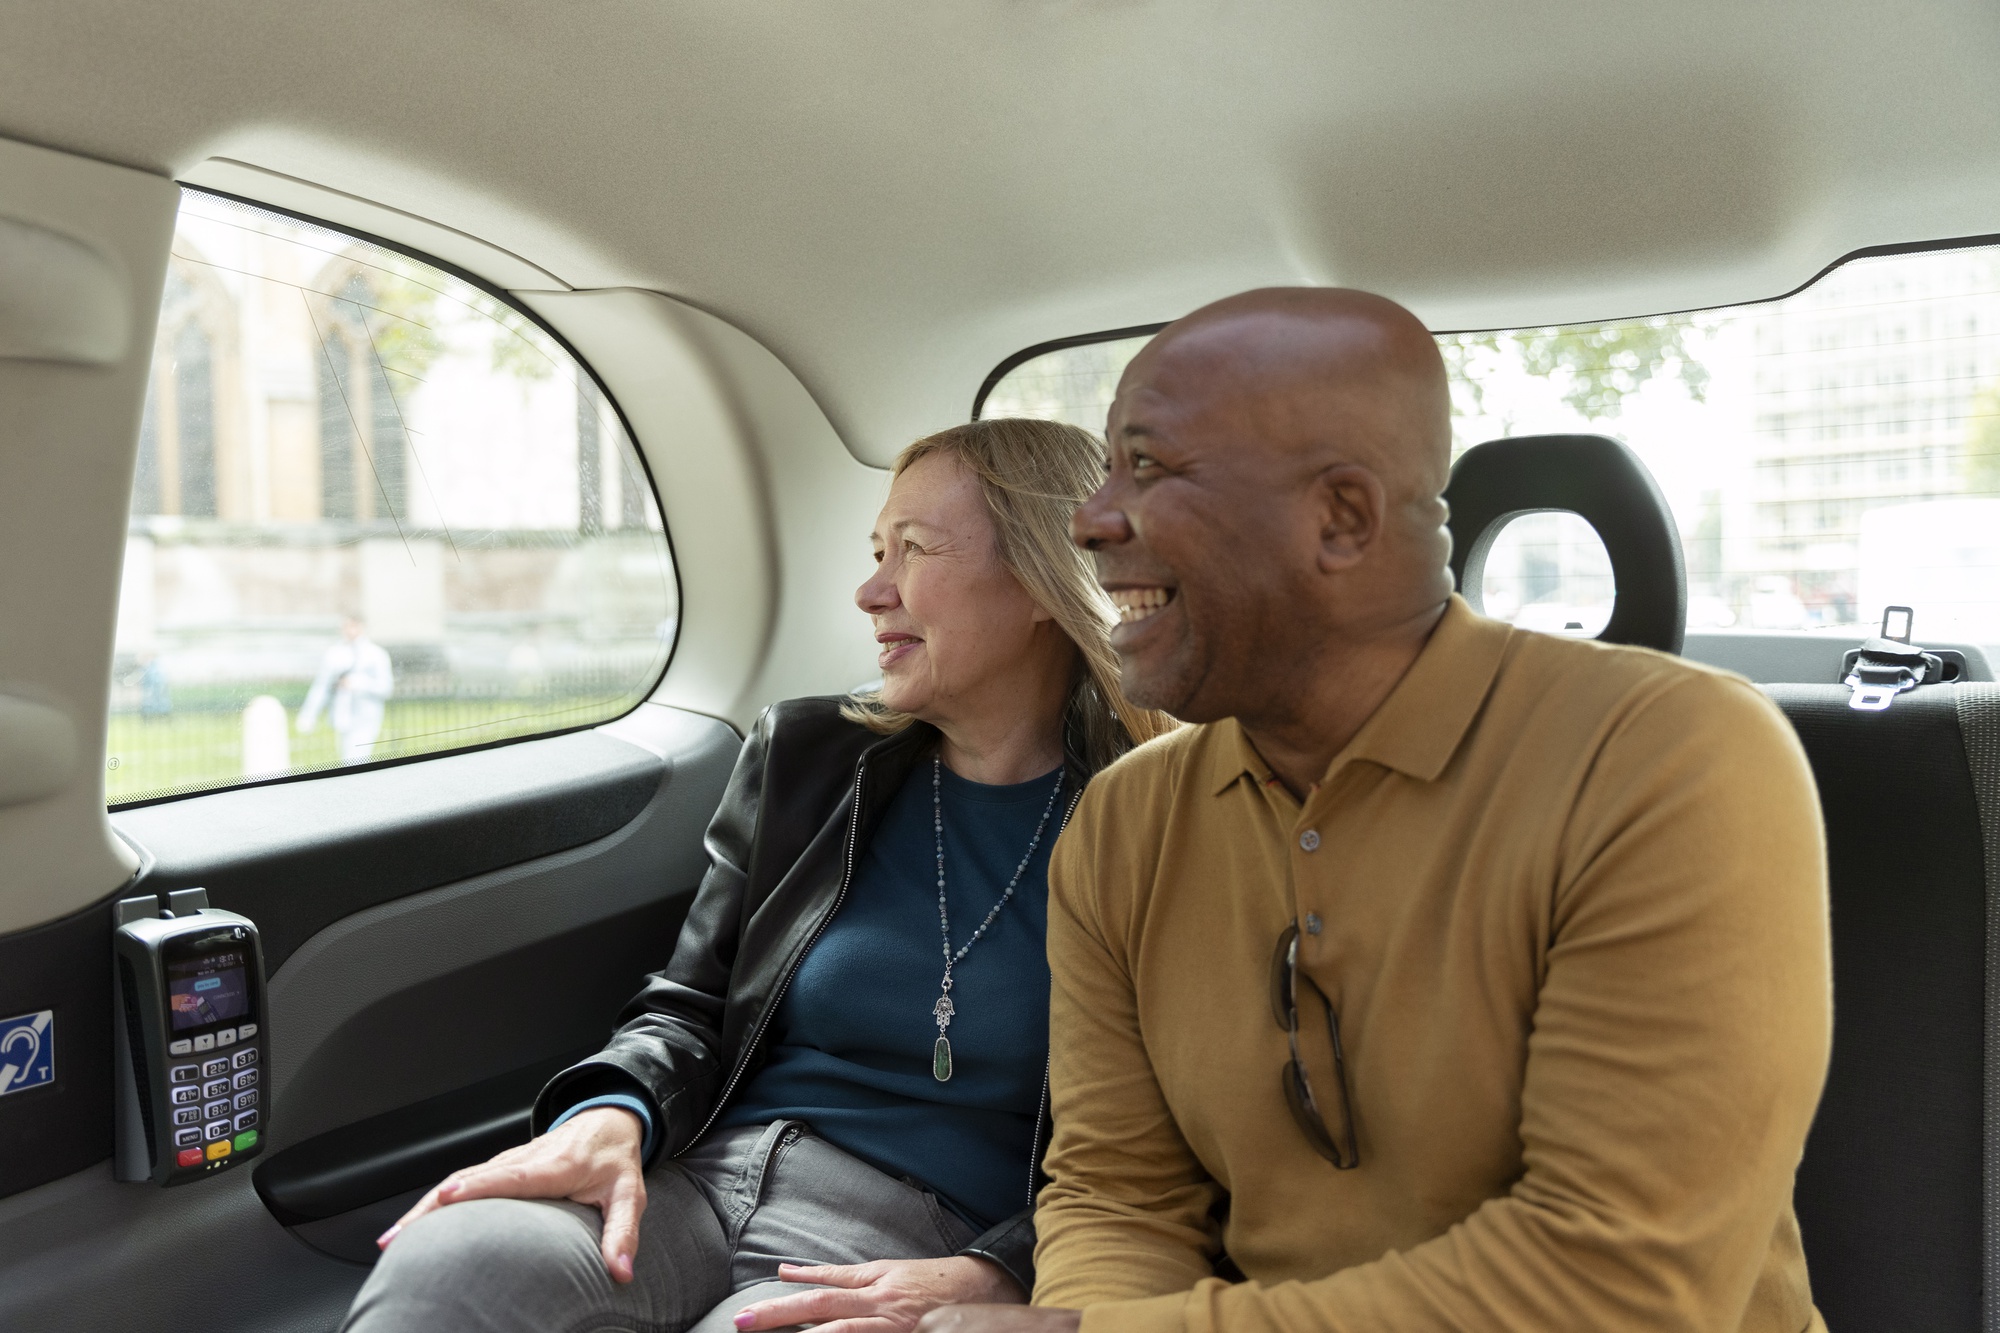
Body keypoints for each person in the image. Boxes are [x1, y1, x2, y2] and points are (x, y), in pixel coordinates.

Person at [921, 289, 1831, 1333]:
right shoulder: (1124, 823)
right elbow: (1117, 1194)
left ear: (1341, 518)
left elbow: (1614, 1282)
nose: (1087, 519)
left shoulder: (1672, 758)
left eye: (1151, 467)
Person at [342, 418, 1172, 1333]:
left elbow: (1169, 1154)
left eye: (915, 551)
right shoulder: (809, 757)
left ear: (1042, 582)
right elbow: (687, 1007)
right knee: (451, 1264)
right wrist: (615, 1113)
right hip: (695, 1179)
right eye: (874, 551)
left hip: (911, 1246)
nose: (870, 590)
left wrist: (1003, 1268)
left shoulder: (1157, 824)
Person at [297, 615, 393, 765]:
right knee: (346, 759)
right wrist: (309, 715)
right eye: (347, 626)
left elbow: (386, 687)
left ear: (362, 627)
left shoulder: (376, 654)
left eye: (354, 626)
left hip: (366, 717)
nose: (350, 631)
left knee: (357, 759)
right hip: (343, 716)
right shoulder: (335, 653)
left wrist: (361, 683)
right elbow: (322, 686)